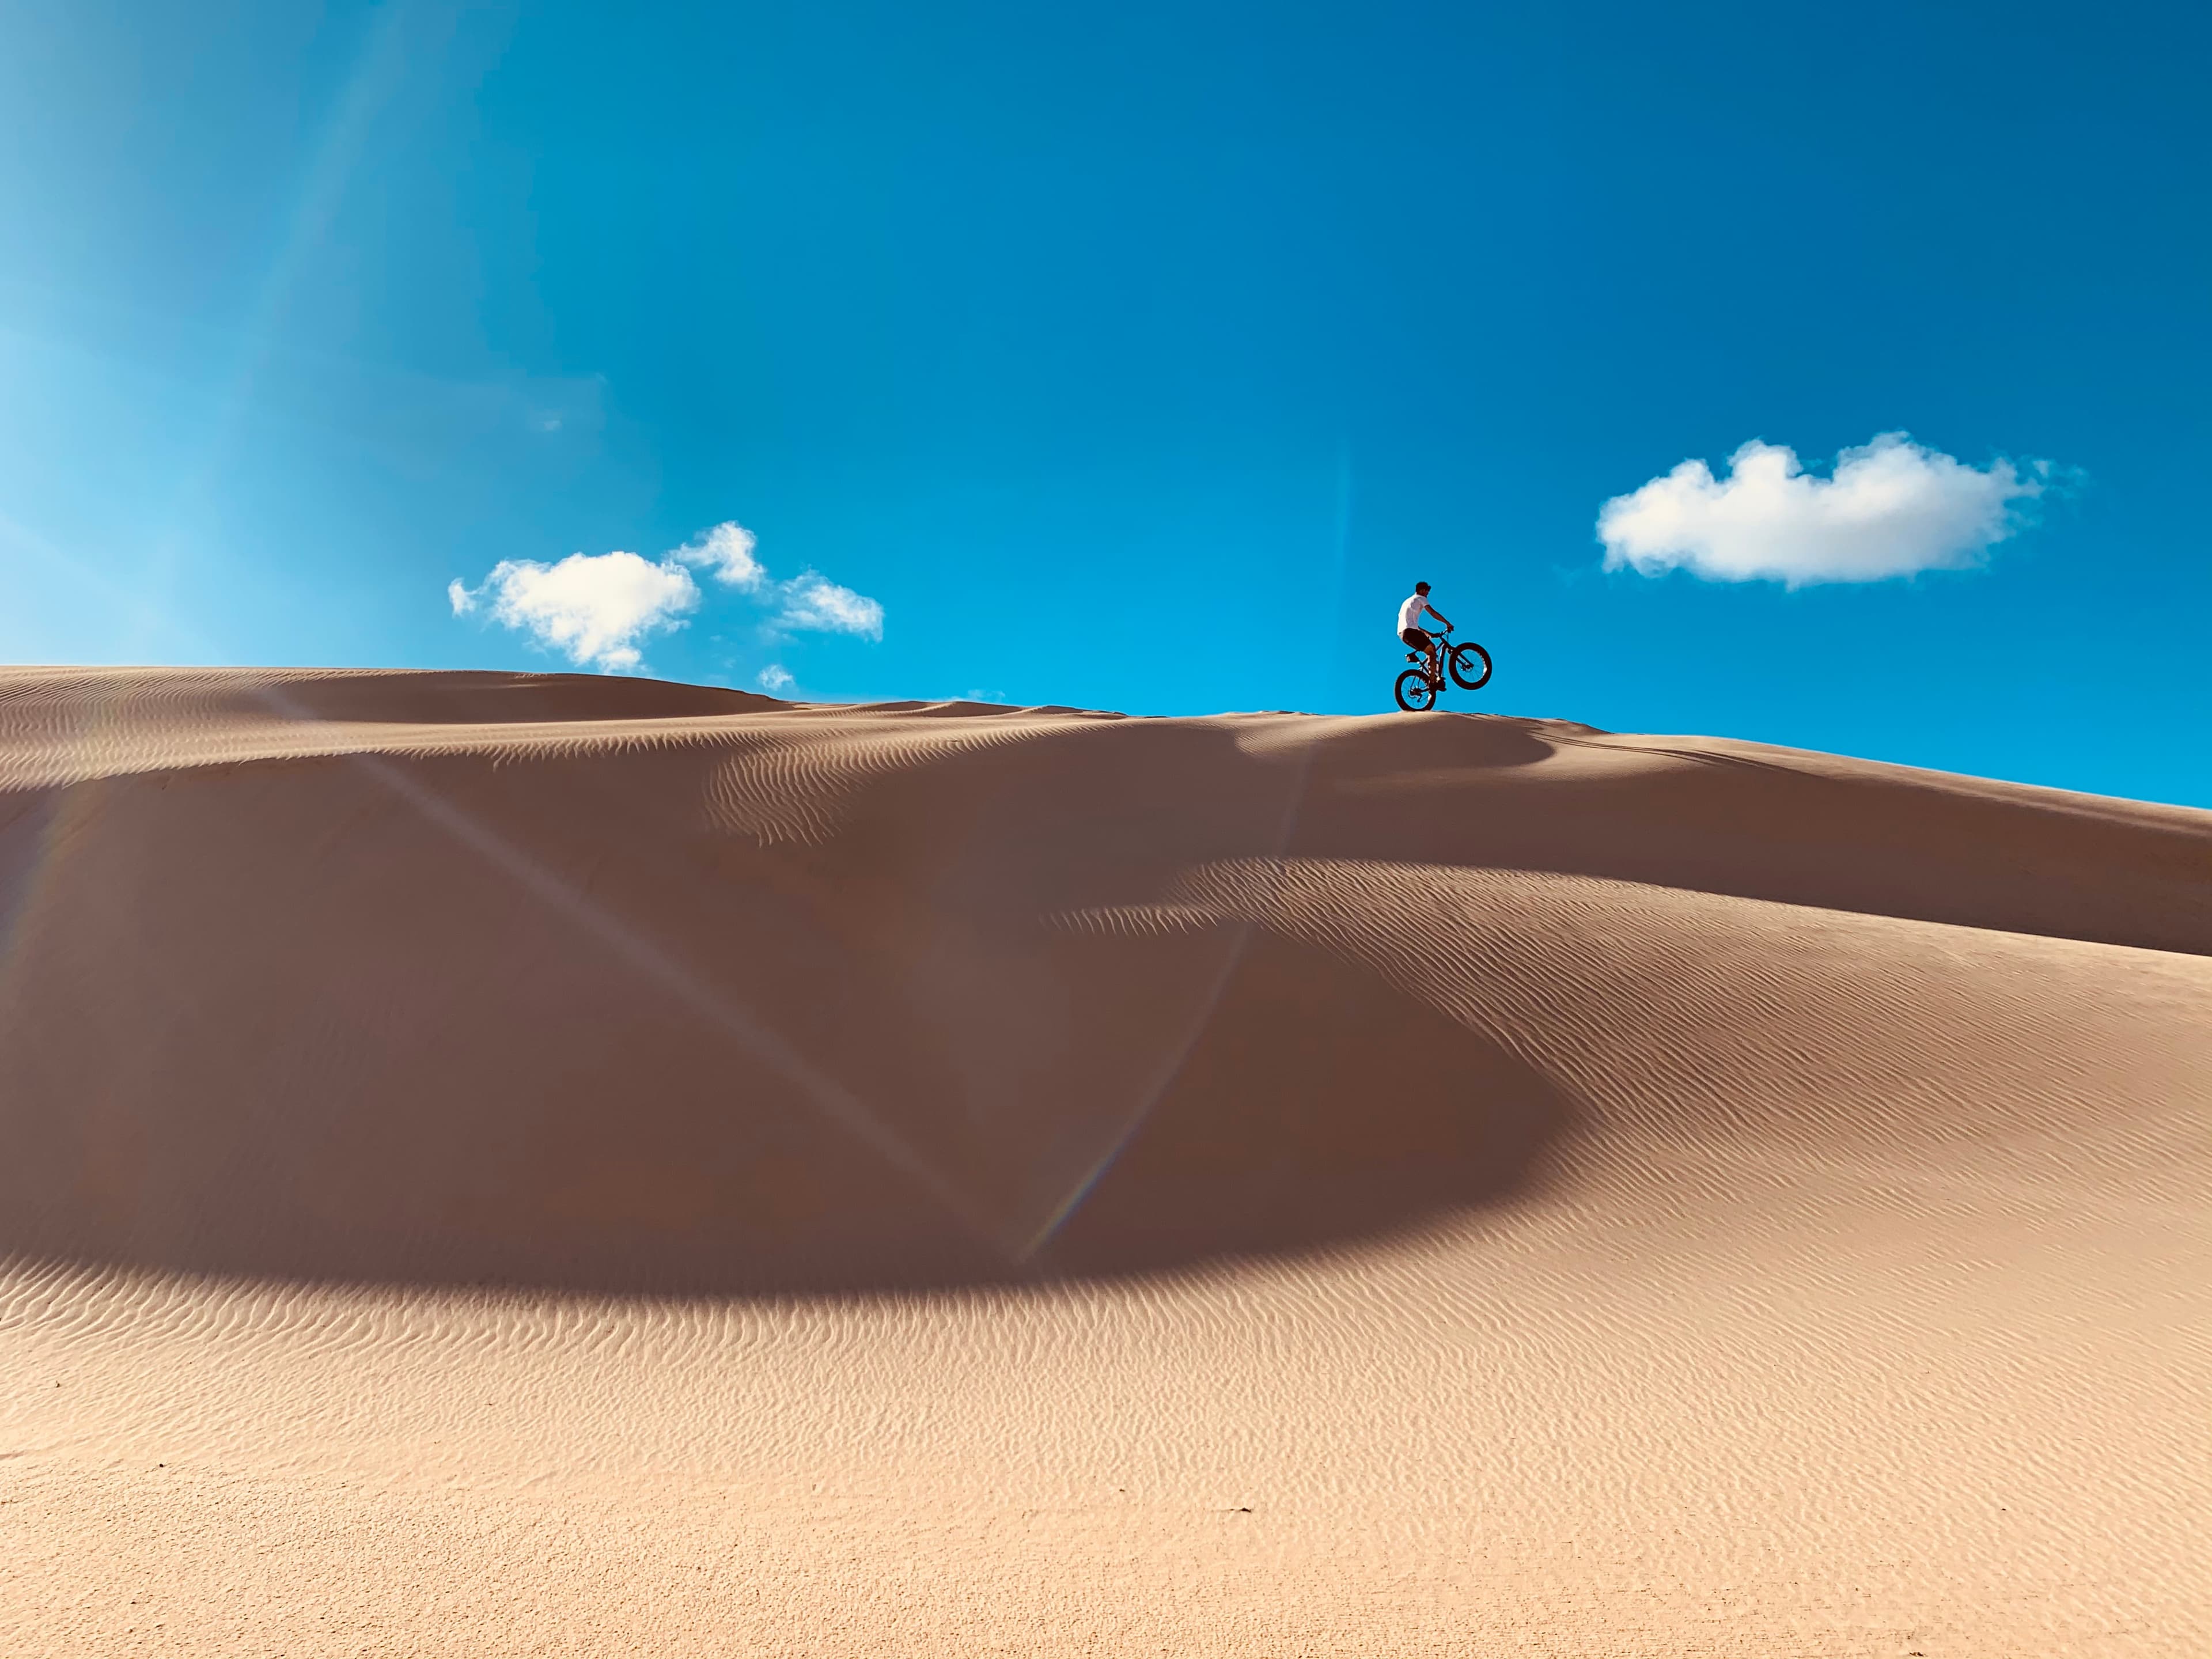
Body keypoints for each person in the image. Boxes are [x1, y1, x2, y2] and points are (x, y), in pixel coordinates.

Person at [1397, 581, 1453, 675]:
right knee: (1432, 650)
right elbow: (1432, 613)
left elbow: (1412, 624)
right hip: (1410, 632)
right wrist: (1447, 623)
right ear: (1422, 590)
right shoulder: (1421, 598)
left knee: (1428, 651)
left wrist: (1428, 633)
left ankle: (1428, 676)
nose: (1427, 594)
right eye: (1427, 592)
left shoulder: (1407, 602)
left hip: (1403, 634)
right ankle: (1433, 681)